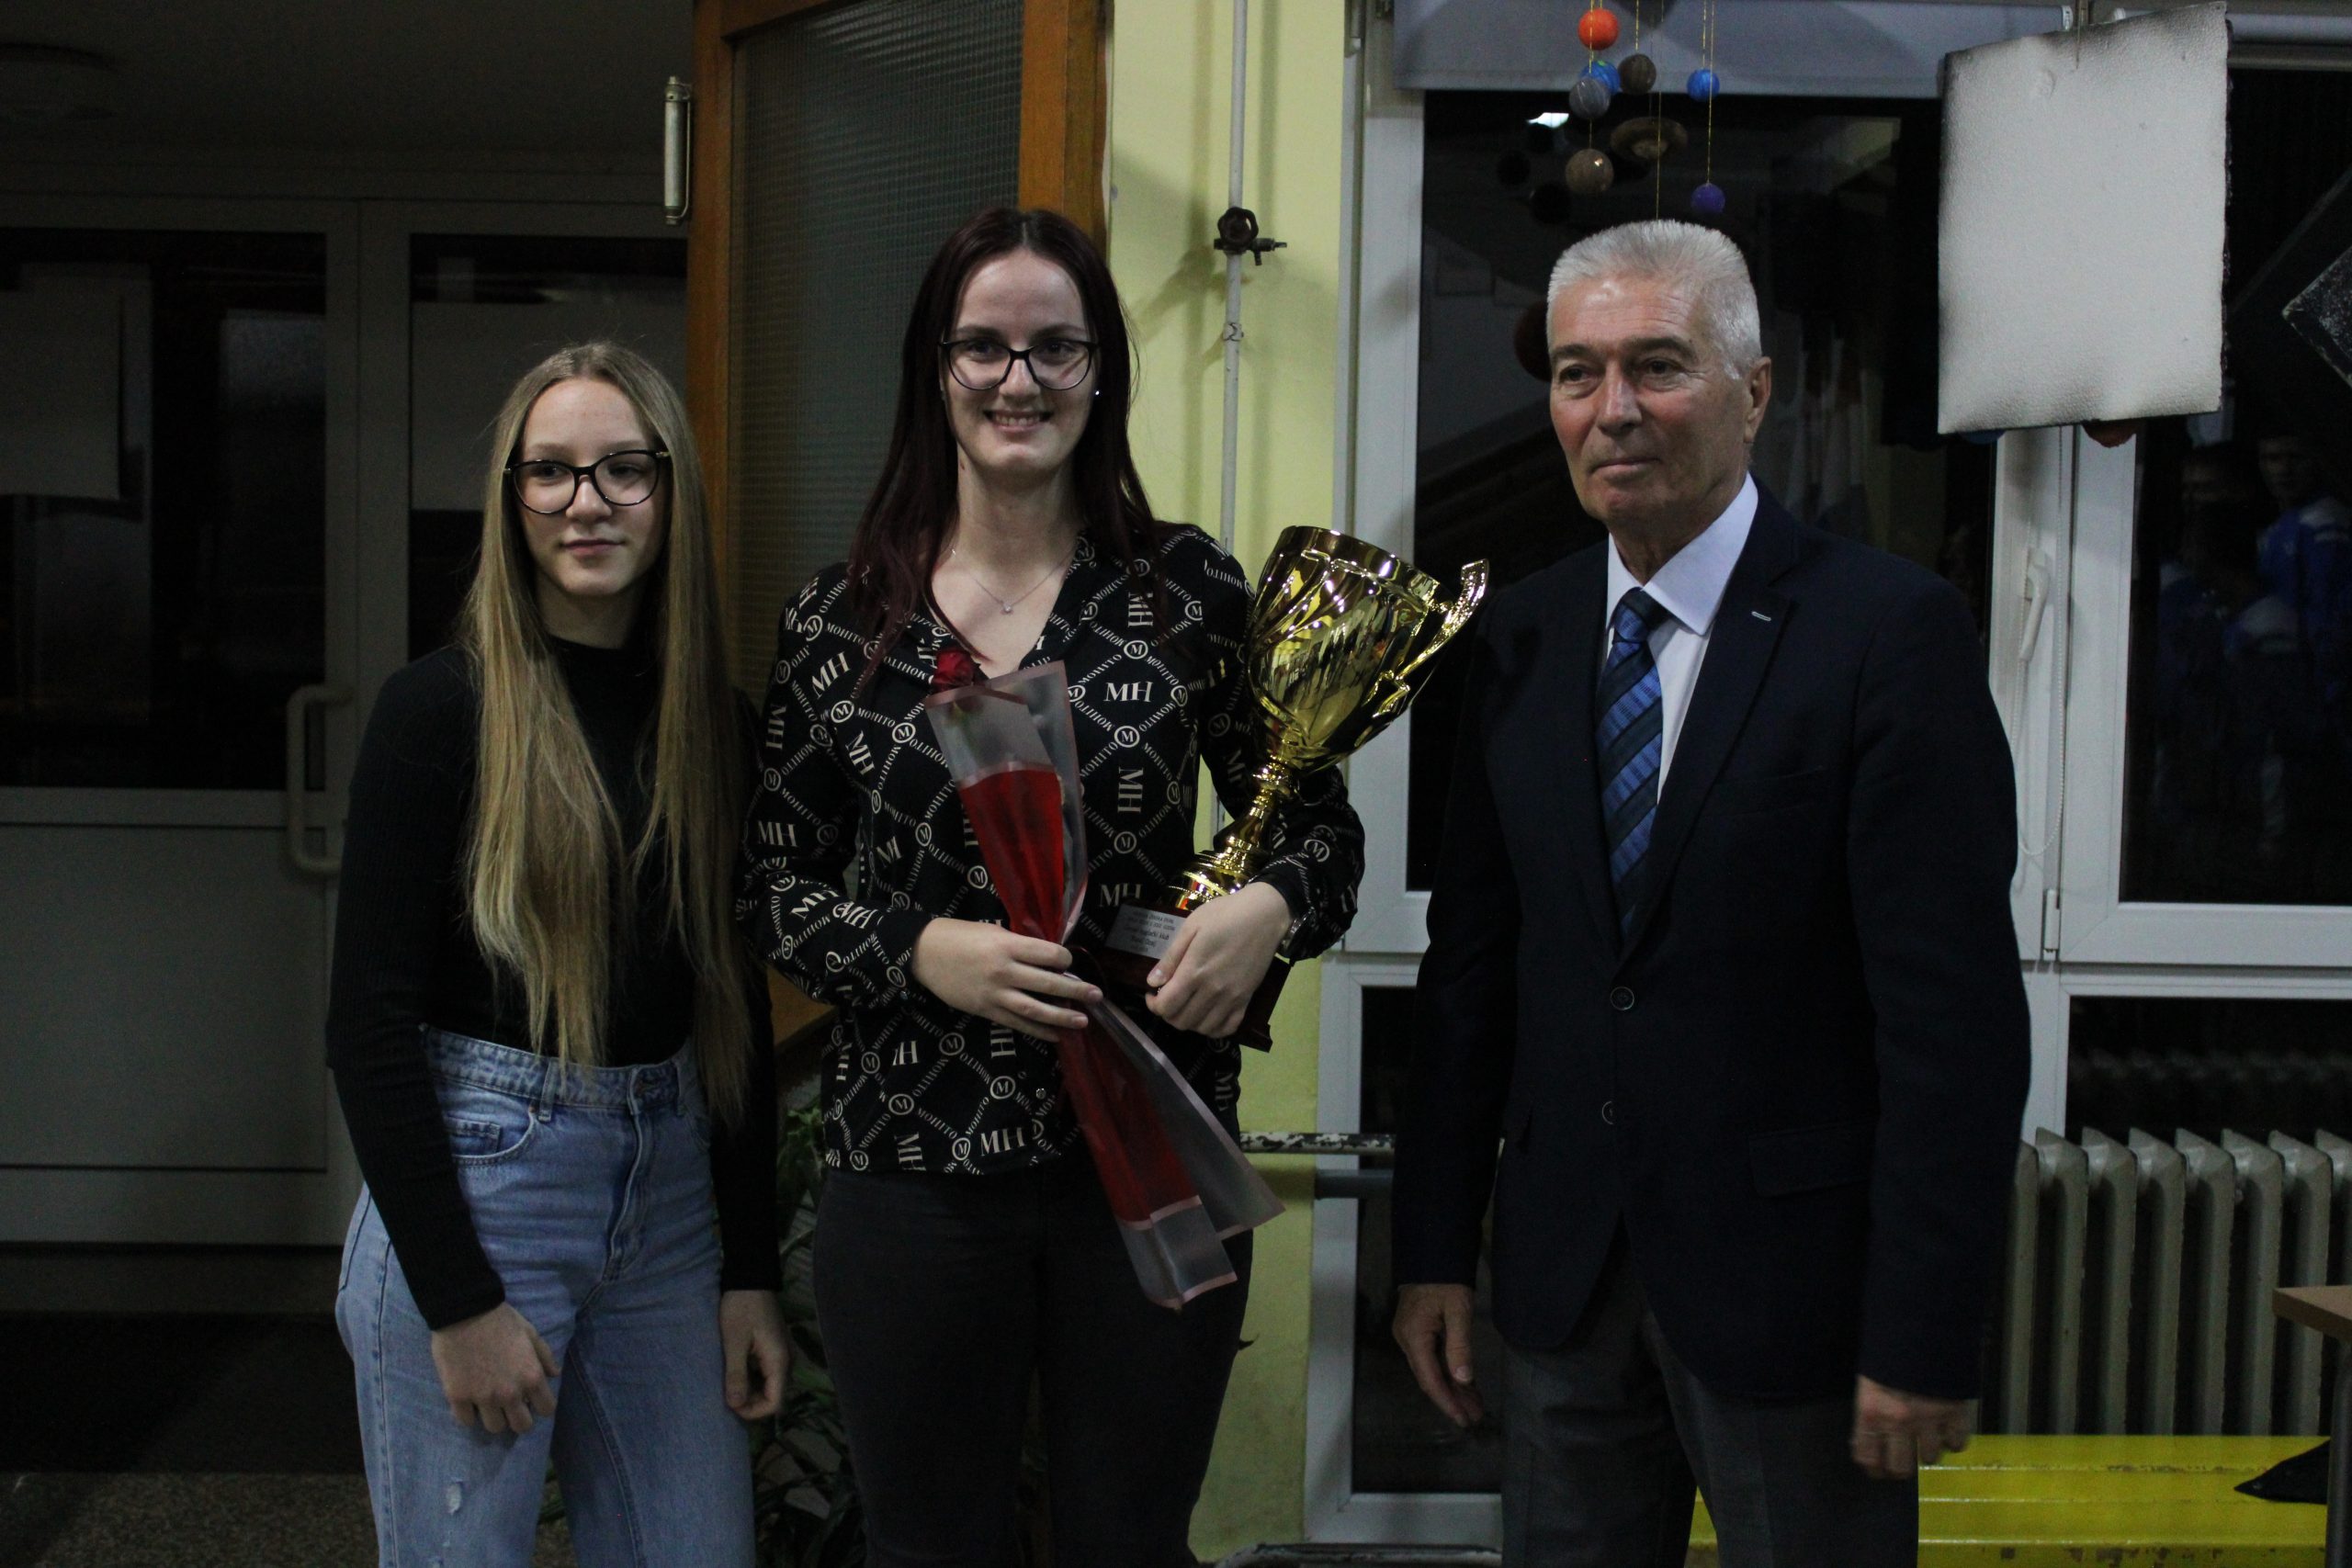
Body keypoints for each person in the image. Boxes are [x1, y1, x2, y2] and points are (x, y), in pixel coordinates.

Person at [1388, 220, 2030, 1566]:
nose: (1612, 409)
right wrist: (1434, 1247)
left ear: (1754, 390)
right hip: (1563, 1289)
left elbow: (1953, 1026)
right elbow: (1474, 968)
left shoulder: (1886, 632)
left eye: (1658, 366)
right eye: (1578, 373)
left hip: (1801, 1305)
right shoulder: (1520, 635)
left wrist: (1923, 1329)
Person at [737, 206, 1364, 1568]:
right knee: (930, 1549)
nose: (1017, 381)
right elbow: (772, 888)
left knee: (1128, 1545)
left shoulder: (1187, 589)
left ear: (1100, 372)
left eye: (1054, 349)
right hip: (912, 1165)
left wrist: (1265, 912)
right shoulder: (840, 621)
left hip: (1147, 1155)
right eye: (983, 347)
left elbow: (1319, 835)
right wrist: (922, 950)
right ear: (936, 368)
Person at [330, 343, 784, 1567]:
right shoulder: (440, 712)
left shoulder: (716, 728)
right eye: (551, 473)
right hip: (485, 1192)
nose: (587, 503)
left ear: (671, 492)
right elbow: (366, 1029)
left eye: (624, 469)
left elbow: (734, 1013)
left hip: (669, 1205)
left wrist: (748, 1271)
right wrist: (459, 1301)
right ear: (512, 498)